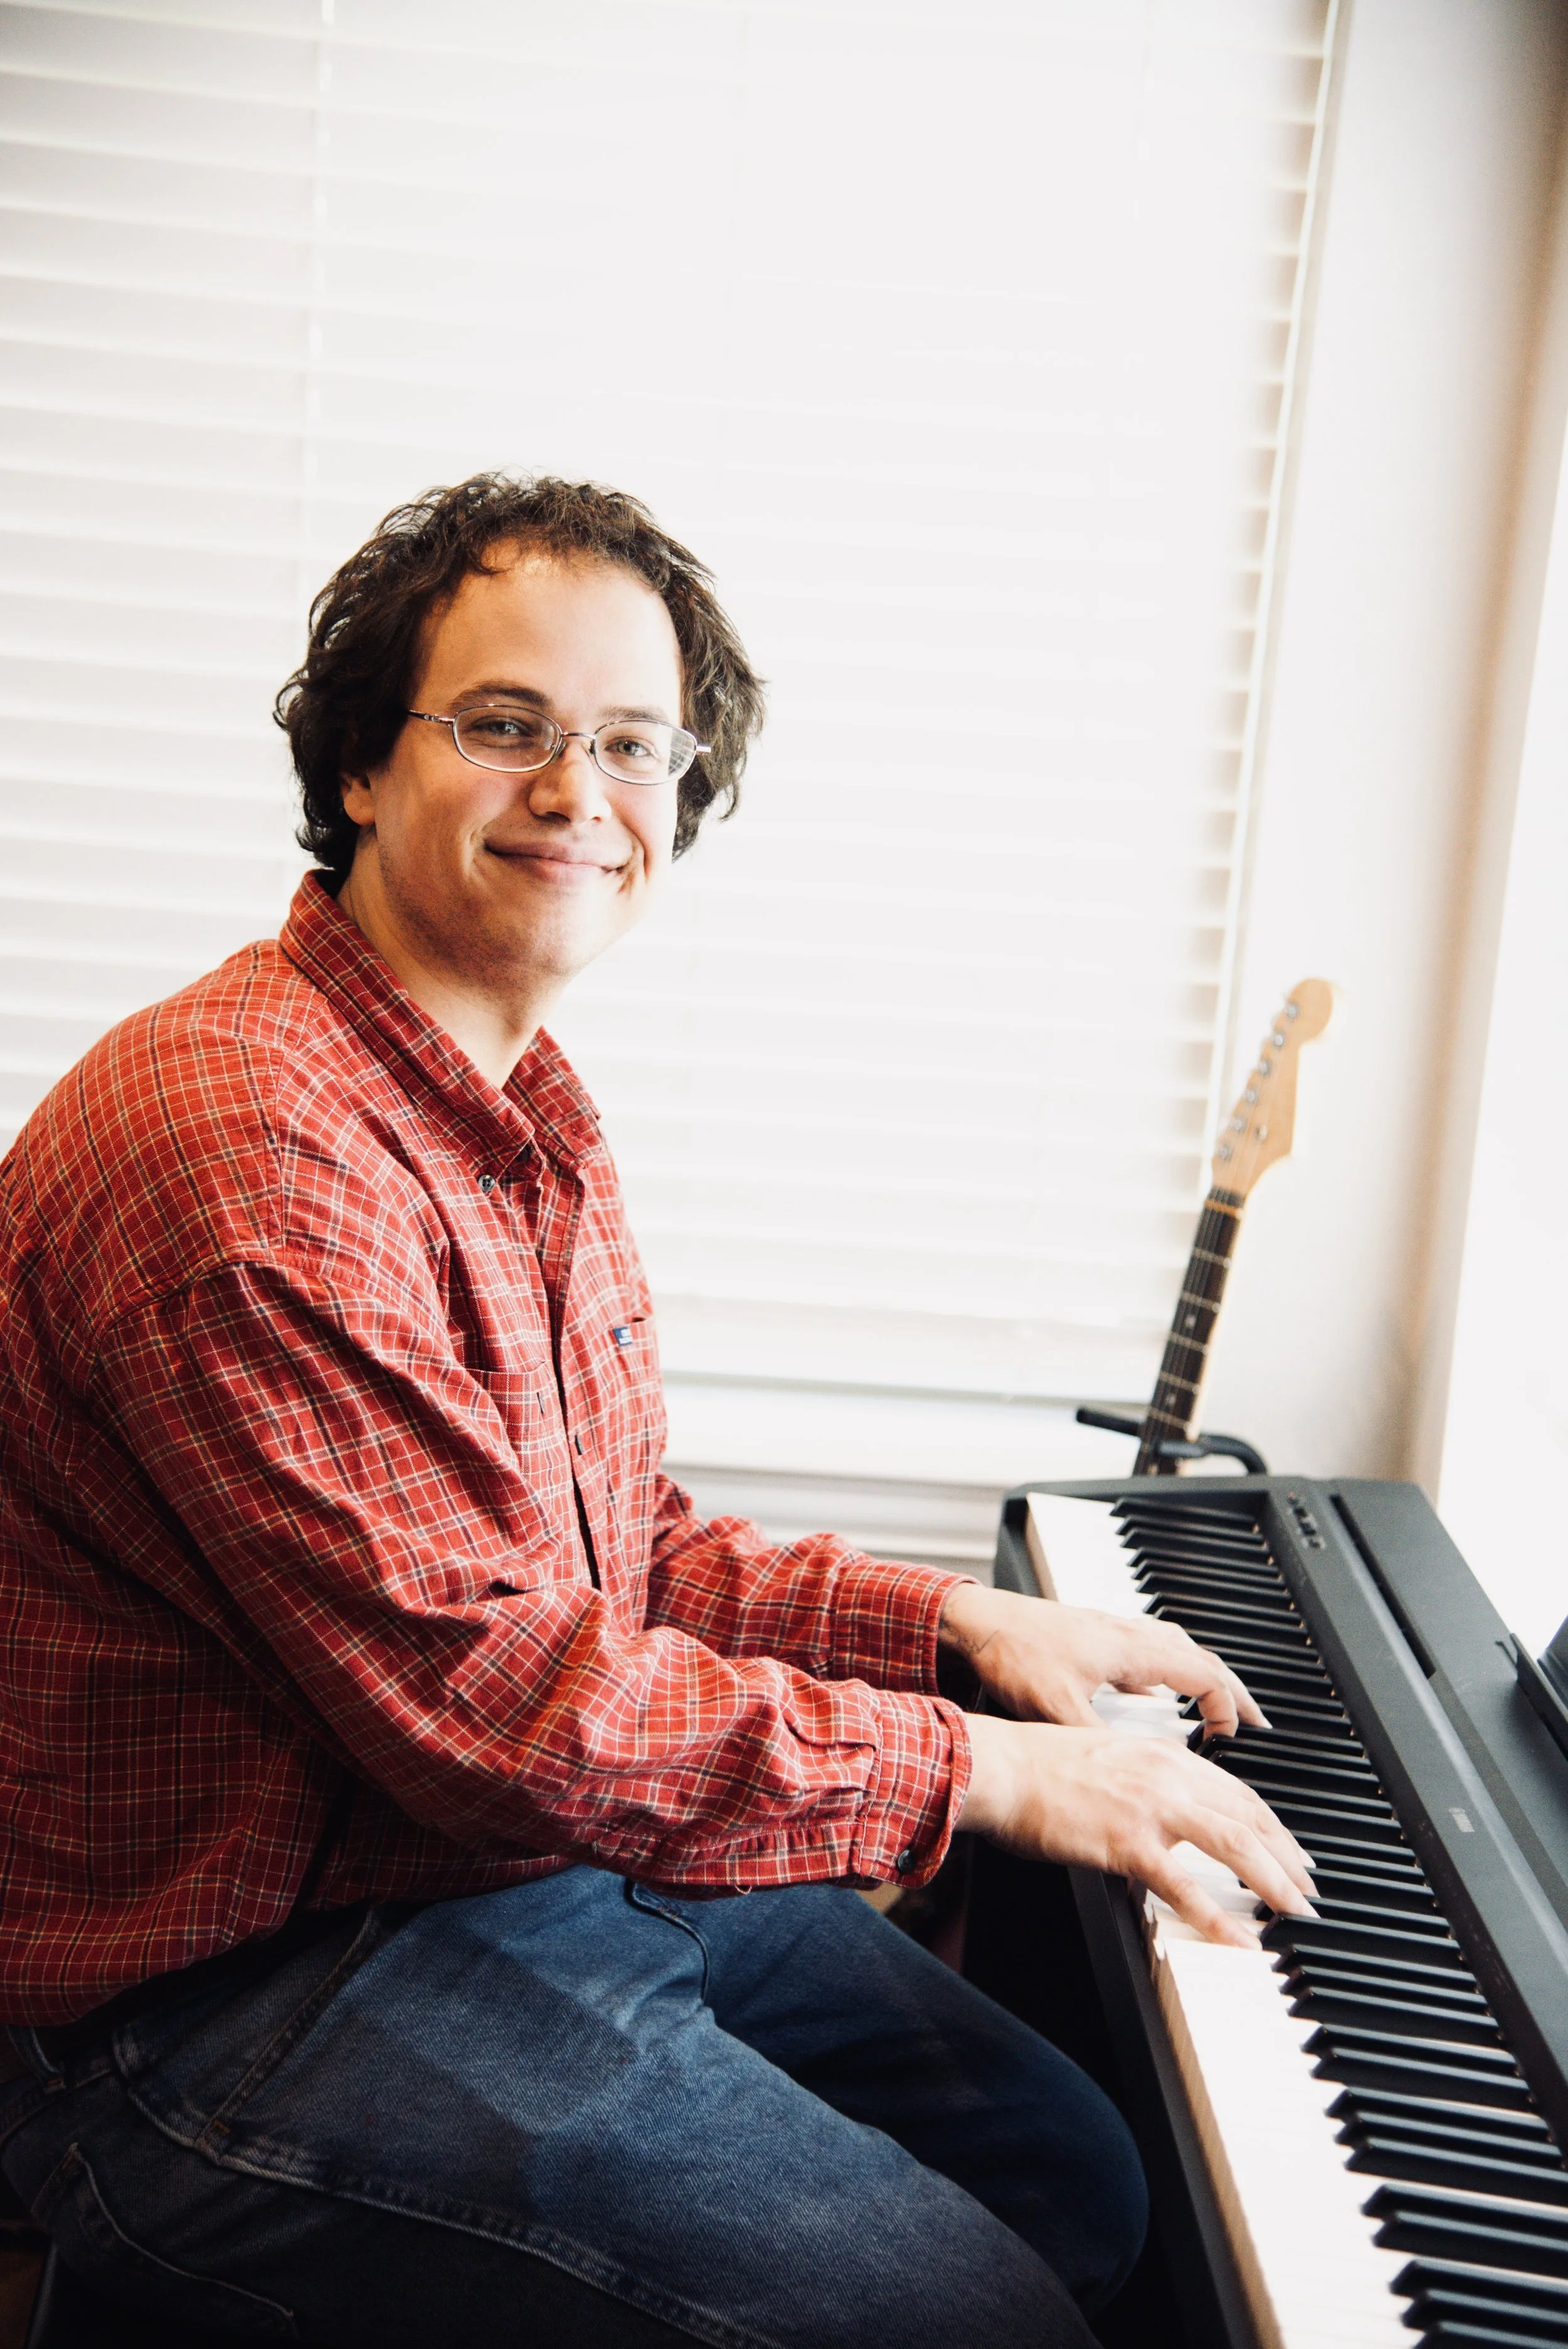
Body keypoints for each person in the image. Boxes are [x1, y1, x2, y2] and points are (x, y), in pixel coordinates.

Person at [0, 474, 1313, 2348]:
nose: (577, 793)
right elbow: (499, 1701)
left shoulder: (513, 1105)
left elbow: (609, 1547)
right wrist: (986, 1769)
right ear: (363, 768)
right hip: (215, 1995)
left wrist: (944, 1624)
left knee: (1074, 2178)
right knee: (971, 2317)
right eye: (507, 727)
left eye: (632, 744)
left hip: (486, 1870)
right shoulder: (251, 1157)